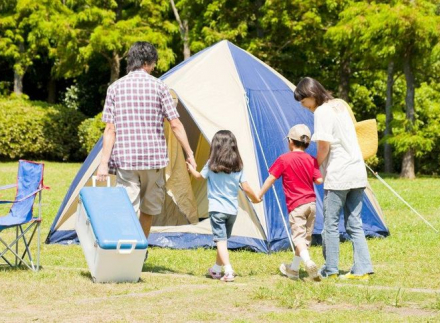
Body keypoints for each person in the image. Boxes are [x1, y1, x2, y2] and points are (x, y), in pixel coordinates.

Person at [97, 41, 197, 247]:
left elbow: (110, 129)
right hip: (154, 160)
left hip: (126, 160)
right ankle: (140, 248)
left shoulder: (115, 88)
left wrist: (103, 164)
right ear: (145, 63)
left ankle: (129, 249)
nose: (153, 68)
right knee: (149, 209)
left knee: (127, 208)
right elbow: (175, 124)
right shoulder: (160, 87)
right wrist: (190, 153)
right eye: (152, 64)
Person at [293, 77, 374, 280]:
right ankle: (363, 268)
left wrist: (313, 167)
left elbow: (323, 146)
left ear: (311, 95)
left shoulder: (321, 111)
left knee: (330, 224)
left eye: (304, 102)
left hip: (339, 174)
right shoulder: (339, 104)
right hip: (357, 171)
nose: (305, 107)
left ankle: (330, 269)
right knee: (354, 223)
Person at [186, 130, 260, 282]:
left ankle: (228, 270)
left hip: (216, 209)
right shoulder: (238, 166)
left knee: (220, 241)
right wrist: (256, 199)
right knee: (223, 240)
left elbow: (199, 177)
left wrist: (191, 169)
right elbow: (246, 187)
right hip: (232, 211)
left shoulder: (211, 165)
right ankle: (216, 269)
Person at [257, 124, 323, 282]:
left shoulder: (284, 159)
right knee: (305, 239)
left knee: (298, 238)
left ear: (290, 142)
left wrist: (259, 194)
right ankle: (293, 269)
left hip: (297, 205)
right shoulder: (311, 160)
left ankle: (308, 262)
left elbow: (271, 178)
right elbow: (319, 180)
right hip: (312, 205)